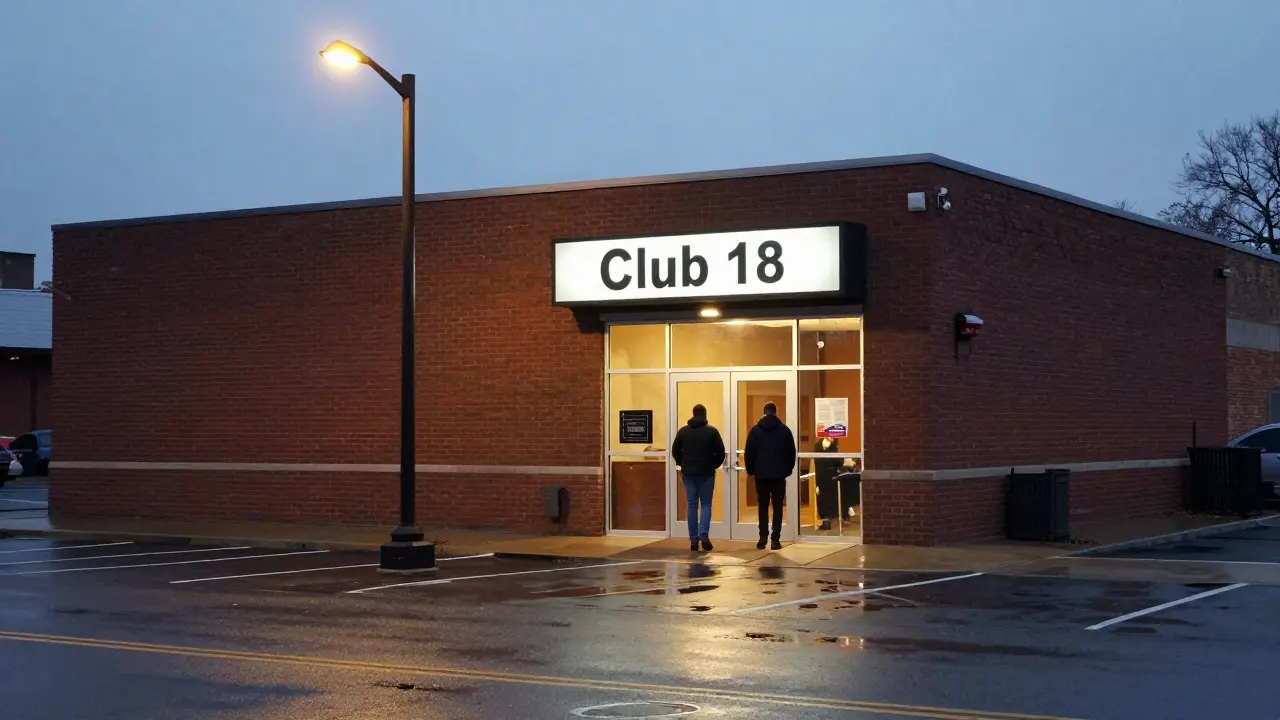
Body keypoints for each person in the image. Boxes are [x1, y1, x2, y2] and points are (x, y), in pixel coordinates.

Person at [670, 404, 726, 552]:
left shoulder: (683, 432)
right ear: (705, 415)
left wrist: (682, 463)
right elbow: (721, 452)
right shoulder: (712, 432)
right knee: (706, 504)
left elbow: (675, 450)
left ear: (693, 414)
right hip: (706, 473)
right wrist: (713, 465)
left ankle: (694, 540)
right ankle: (704, 534)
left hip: (688, 473)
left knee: (692, 505)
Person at [743, 401, 796, 550]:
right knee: (777, 506)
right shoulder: (785, 431)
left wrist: (751, 471)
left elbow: (749, 453)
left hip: (761, 475)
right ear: (776, 412)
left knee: (763, 506)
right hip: (779, 475)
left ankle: (762, 537)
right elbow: (791, 453)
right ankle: (775, 540)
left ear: (764, 412)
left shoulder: (755, 431)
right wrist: (787, 470)